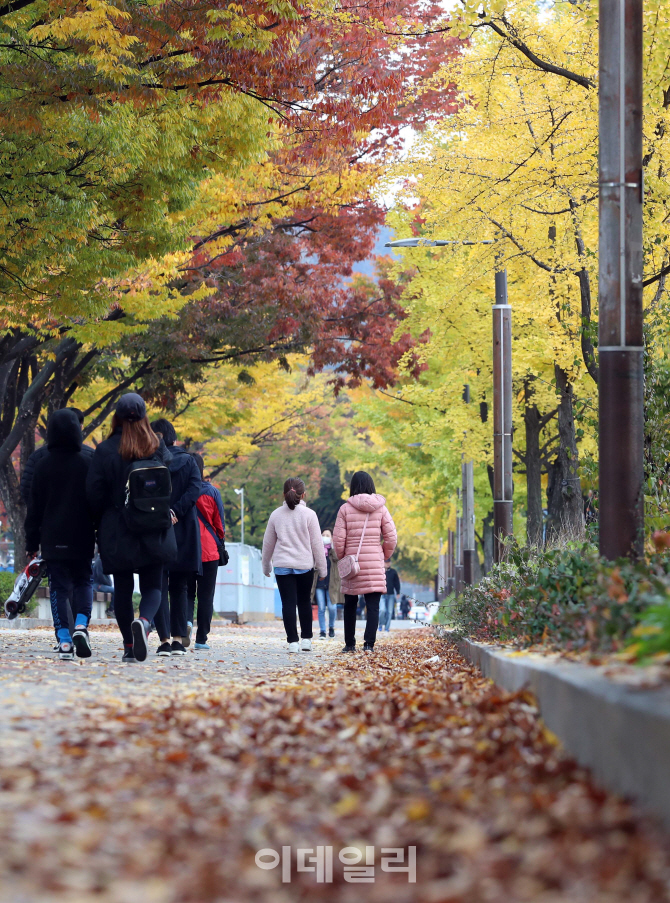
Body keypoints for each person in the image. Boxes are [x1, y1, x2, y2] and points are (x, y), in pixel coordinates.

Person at [86, 394, 177, 662]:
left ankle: (128, 645)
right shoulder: (156, 445)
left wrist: (99, 521)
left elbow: (93, 493)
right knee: (153, 586)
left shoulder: (104, 450)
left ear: (116, 417)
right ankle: (146, 622)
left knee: (123, 589)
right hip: (152, 525)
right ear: (144, 417)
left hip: (118, 527)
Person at [25, 409, 96, 660]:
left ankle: (64, 640)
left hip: (53, 537)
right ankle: (81, 625)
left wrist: (31, 542)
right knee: (83, 581)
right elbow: (96, 501)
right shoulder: (88, 461)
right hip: (83, 534)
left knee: (58, 587)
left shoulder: (43, 465)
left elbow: (34, 508)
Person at [150, 419, 202, 657]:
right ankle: (180, 639)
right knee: (180, 586)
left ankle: (163, 640)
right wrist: (177, 512)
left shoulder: (151, 462)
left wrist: (163, 511)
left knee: (158, 584)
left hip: (157, 529)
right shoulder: (190, 461)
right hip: (183, 530)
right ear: (173, 437)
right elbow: (194, 489)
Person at [333, 471, 397, 653]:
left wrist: (344, 556)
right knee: (373, 605)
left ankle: (350, 644)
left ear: (353, 486)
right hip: (374, 562)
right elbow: (391, 537)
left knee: (350, 604)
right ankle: (369, 644)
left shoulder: (345, 509)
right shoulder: (381, 509)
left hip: (353, 562)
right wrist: (383, 555)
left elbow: (338, 540)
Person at [261, 478, 327, 653]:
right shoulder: (309, 515)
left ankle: (293, 642)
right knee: (304, 602)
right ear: (303, 494)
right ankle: (306, 639)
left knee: (287, 604)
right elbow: (317, 544)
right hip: (304, 564)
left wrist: (266, 565)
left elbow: (268, 544)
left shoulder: (276, 515)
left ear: (284, 494)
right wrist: (322, 568)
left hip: (282, 565)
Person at [186, 453, 225, 651]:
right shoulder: (211, 492)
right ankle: (201, 639)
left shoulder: (181, 491)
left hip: (186, 549)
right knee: (206, 595)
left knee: (186, 592)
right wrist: (220, 540)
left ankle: (185, 623)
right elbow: (219, 524)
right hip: (209, 550)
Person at [20, 407, 94, 505]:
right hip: (82, 517)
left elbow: (27, 490)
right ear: (79, 427)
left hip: (46, 517)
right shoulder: (91, 457)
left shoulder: (38, 457)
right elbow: (97, 490)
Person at [315, 530, 337, 638]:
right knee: (321, 608)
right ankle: (322, 631)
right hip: (319, 583)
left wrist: (332, 548)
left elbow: (338, 560)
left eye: (327, 535)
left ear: (331, 538)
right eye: (323, 535)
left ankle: (331, 627)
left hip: (331, 584)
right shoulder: (317, 551)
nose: (324, 537)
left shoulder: (333, 551)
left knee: (332, 607)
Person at [380, 559, 401, 632]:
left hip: (391, 594)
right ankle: (380, 624)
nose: (388, 564)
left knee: (389, 612)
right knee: (382, 610)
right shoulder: (380, 571)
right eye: (386, 562)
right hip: (381, 594)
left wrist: (398, 592)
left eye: (389, 562)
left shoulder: (393, 572)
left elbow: (397, 583)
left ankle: (387, 627)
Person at [92, 551, 115, 616]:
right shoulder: (100, 561)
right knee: (115, 591)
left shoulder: (102, 560)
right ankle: (111, 610)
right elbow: (100, 576)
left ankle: (112, 609)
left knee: (115, 590)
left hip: (99, 584)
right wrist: (109, 584)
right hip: (97, 585)